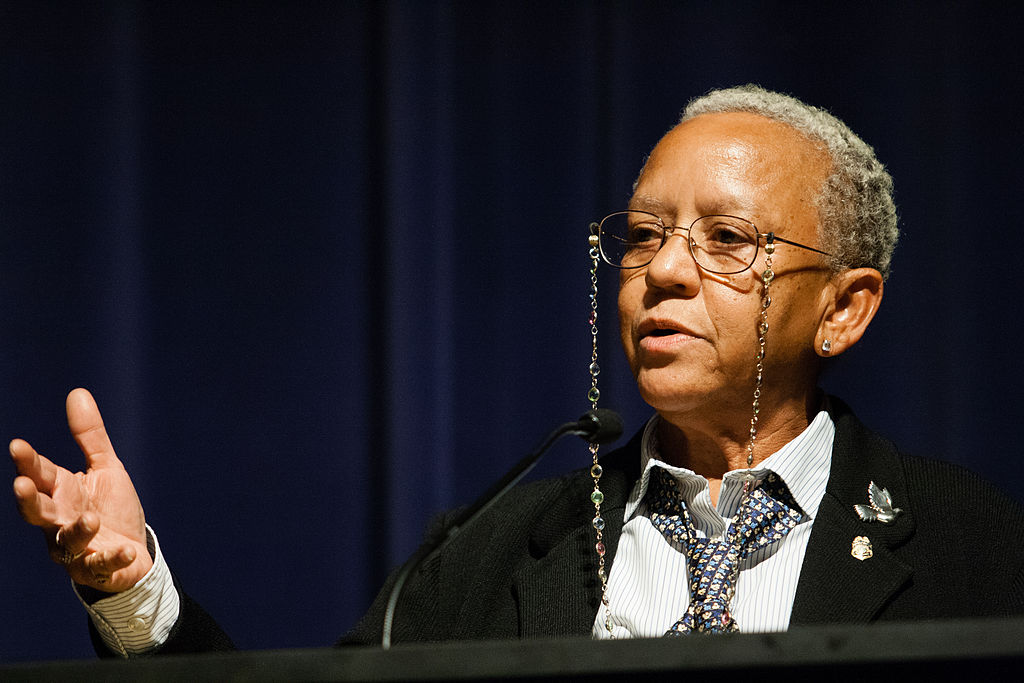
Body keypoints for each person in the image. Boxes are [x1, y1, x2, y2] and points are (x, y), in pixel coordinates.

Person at [11, 85, 1024, 655]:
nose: (662, 270)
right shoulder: (497, 547)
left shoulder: (973, 549)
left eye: (724, 238)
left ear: (843, 308)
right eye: (641, 235)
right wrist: (136, 586)